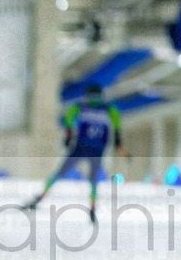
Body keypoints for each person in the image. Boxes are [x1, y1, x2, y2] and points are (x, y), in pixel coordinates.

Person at [23, 83, 129, 223]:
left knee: (60, 173)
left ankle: (41, 197)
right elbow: (117, 132)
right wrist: (122, 150)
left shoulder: (81, 107)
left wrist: (68, 136)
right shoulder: (110, 110)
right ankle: (92, 208)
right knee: (93, 180)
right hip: (97, 149)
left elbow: (69, 118)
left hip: (80, 146)